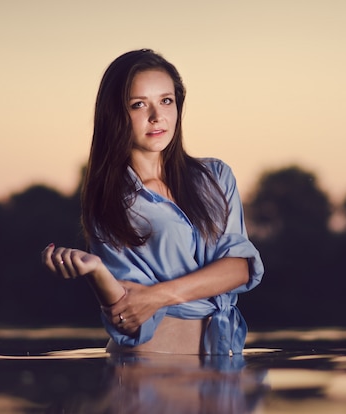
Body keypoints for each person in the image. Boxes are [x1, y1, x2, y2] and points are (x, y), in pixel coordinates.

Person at [41, 49, 263, 355]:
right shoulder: (111, 204)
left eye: (166, 101)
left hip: (221, 367)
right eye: (138, 105)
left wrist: (158, 296)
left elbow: (239, 269)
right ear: (116, 114)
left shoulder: (216, 176)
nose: (157, 117)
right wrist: (97, 271)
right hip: (146, 375)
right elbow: (129, 320)